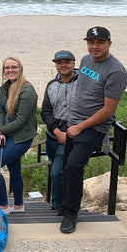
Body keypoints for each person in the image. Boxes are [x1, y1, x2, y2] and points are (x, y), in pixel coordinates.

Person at [60, 26, 127, 233]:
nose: (94, 47)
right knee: (66, 166)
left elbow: (108, 110)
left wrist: (79, 127)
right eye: (91, 42)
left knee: (73, 166)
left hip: (93, 127)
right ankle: (64, 204)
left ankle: (72, 212)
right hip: (74, 122)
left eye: (99, 42)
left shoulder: (116, 72)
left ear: (109, 43)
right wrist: (71, 122)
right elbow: (83, 90)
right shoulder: (85, 60)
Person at [0, 57, 38, 214]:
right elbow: (1, 111)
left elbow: (21, 121)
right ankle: (18, 205)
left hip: (21, 138)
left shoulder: (27, 90)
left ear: (20, 68)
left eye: (14, 67)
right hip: (8, 135)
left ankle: (2, 205)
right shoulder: (6, 87)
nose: (10, 70)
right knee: (15, 170)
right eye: (7, 68)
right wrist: (2, 130)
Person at [41, 51, 79, 214]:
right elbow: (45, 111)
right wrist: (56, 131)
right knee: (56, 170)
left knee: (58, 171)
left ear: (73, 63)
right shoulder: (52, 85)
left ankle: (62, 206)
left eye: (67, 61)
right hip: (53, 135)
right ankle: (57, 204)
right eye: (59, 62)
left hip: (72, 134)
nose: (63, 65)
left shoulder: (83, 83)